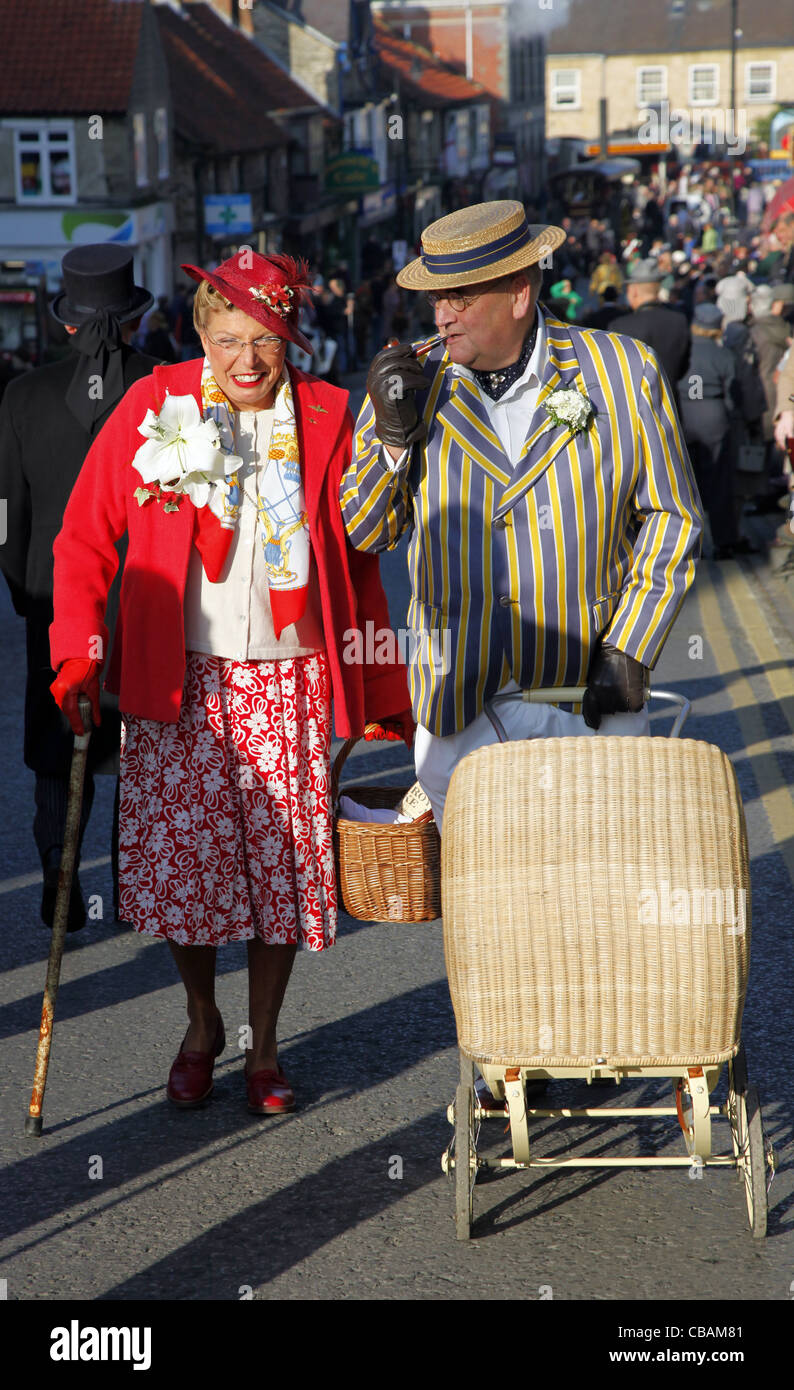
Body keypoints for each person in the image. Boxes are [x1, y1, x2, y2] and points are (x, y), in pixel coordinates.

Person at [49, 251, 411, 1113]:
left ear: (290, 338)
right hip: (180, 683)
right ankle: (202, 1022)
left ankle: (265, 1045)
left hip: (290, 681)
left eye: (265, 342)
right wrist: (77, 651)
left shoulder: (330, 415)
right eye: (227, 341)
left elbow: (374, 539)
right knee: (189, 875)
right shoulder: (156, 405)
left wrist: (397, 445)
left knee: (281, 876)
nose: (246, 362)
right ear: (200, 336)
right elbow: (85, 537)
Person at [340, 201, 702, 828]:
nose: (442, 316)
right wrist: (394, 438)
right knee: (488, 906)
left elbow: (674, 518)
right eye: (435, 299)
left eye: (459, 296)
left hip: (586, 692)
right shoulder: (411, 387)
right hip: (458, 702)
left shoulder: (621, 372)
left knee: (597, 886)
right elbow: (368, 531)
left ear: (517, 292)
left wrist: (631, 647)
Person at [0, 244, 160, 932]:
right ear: (136, 319)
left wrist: (26, 592)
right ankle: (132, 884)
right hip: (151, 596)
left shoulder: (23, 396)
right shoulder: (169, 386)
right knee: (137, 744)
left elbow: (7, 512)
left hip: (56, 597)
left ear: (67, 321)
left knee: (57, 741)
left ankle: (61, 873)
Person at [677, 304, 741, 560]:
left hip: (683, 414)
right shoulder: (723, 354)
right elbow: (732, 396)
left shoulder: (682, 348)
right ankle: (724, 542)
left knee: (684, 484)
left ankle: (689, 545)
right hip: (713, 415)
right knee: (719, 481)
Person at [608, 259, 692, 399]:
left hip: (635, 409)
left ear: (633, 291)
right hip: (670, 406)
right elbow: (684, 369)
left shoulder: (619, 326)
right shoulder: (679, 320)